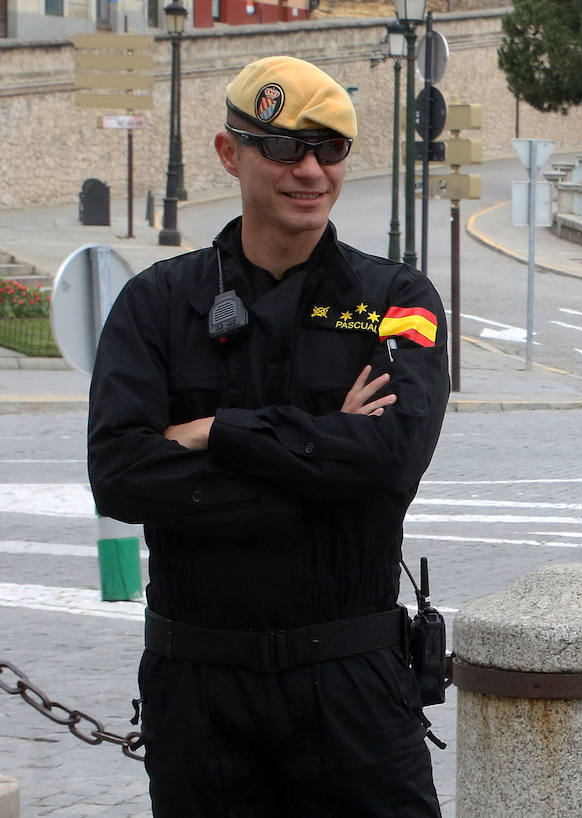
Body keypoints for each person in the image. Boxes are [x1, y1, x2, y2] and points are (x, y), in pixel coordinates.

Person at [87, 56, 448, 816]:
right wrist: (321, 471)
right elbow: (120, 475)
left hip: (354, 686)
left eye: (331, 149)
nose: (310, 170)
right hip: (200, 692)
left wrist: (218, 432)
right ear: (231, 154)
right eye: (285, 148)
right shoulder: (155, 306)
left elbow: (391, 460)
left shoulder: (396, 300)